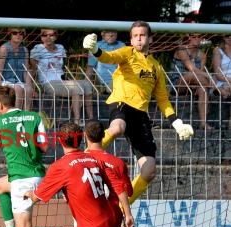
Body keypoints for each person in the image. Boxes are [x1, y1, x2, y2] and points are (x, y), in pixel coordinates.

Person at [83, 21, 194, 205]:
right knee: (117, 127)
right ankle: (85, 156)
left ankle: (121, 207)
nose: (138, 39)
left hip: (141, 115)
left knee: (149, 170)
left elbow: (163, 100)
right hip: (122, 103)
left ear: (150, 38)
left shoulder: (156, 67)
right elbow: (108, 57)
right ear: (131, 39)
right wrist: (95, 50)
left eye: (142, 35)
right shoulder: (127, 53)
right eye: (135, 36)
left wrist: (177, 123)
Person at [0, 85, 66, 227]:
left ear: (0, 105)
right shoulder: (35, 117)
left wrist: (3, 142)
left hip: (22, 181)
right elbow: (45, 147)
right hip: (38, 175)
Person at [30, 28, 94, 125]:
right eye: (44, 35)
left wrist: (67, 79)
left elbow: (61, 68)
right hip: (48, 83)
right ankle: (77, 120)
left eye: (51, 35)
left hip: (62, 81)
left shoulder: (60, 48)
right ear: (41, 37)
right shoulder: (37, 49)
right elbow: (33, 69)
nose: (48, 37)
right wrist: (32, 87)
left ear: (56, 36)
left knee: (87, 84)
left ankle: (91, 119)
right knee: (77, 88)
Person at [168, 33, 213, 130]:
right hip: (177, 84)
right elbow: (192, 68)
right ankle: (215, 88)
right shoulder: (182, 50)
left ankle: (203, 123)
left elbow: (200, 72)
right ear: (189, 37)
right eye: (193, 36)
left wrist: (203, 79)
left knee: (203, 89)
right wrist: (209, 78)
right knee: (191, 74)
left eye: (199, 36)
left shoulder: (202, 55)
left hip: (194, 84)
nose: (196, 38)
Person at [0, 28, 35, 110]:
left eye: (21, 33)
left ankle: (26, 116)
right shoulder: (4, 49)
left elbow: (26, 70)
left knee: (28, 90)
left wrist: (29, 86)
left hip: (18, 81)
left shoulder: (25, 50)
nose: (18, 35)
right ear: (10, 34)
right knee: (18, 89)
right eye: (15, 33)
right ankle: (16, 116)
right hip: (5, 81)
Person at [210, 34, 231, 129]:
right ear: (223, 36)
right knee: (227, 87)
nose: (230, 37)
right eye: (227, 35)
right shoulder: (218, 50)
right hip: (222, 81)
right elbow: (218, 74)